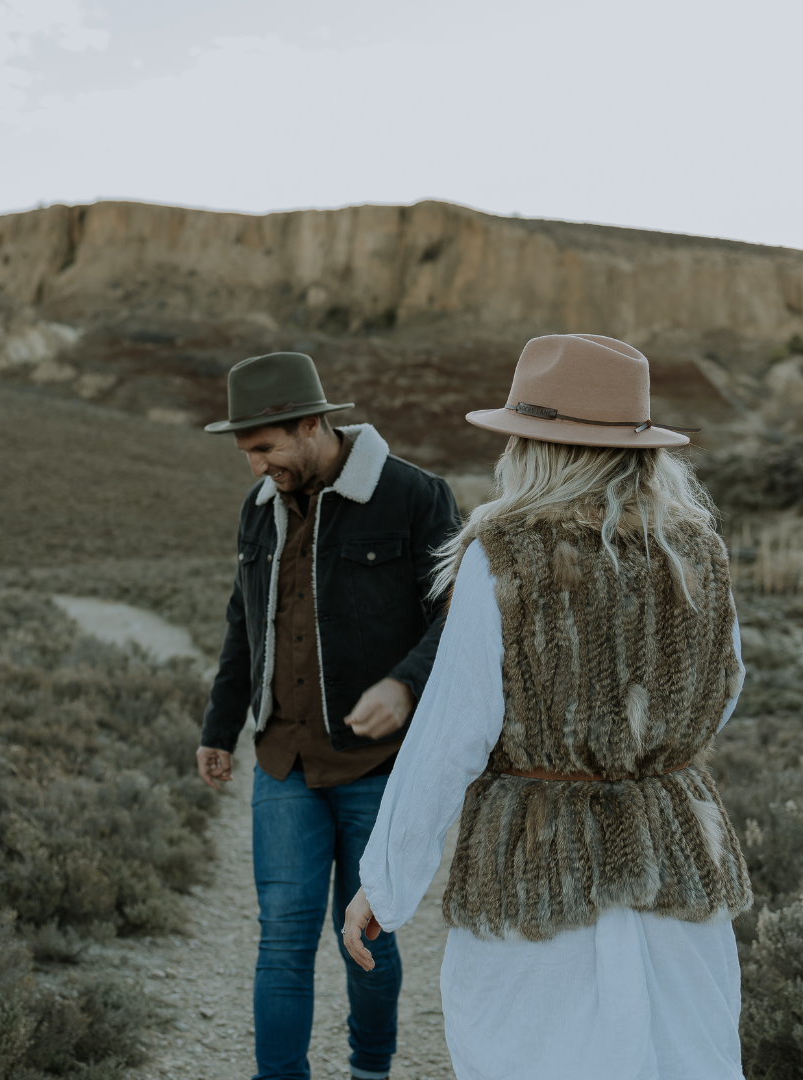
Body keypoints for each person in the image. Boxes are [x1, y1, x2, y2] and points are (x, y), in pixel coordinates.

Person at [343, 333, 751, 1080]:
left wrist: (387, 885)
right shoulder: (698, 550)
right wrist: (641, 752)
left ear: (533, 448)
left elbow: (452, 734)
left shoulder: (504, 553)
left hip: (537, 863)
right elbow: (724, 693)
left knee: (536, 1054)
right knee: (682, 1054)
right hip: (674, 854)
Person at [197, 351, 461, 1080]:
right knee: (281, 938)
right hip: (282, 760)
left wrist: (407, 685)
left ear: (312, 425)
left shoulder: (415, 497)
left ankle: (370, 1069)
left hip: (378, 766)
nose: (255, 466)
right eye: (247, 451)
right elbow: (241, 625)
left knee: (368, 933)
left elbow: (457, 614)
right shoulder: (259, 512)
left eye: (265, 448)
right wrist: (220, 729)